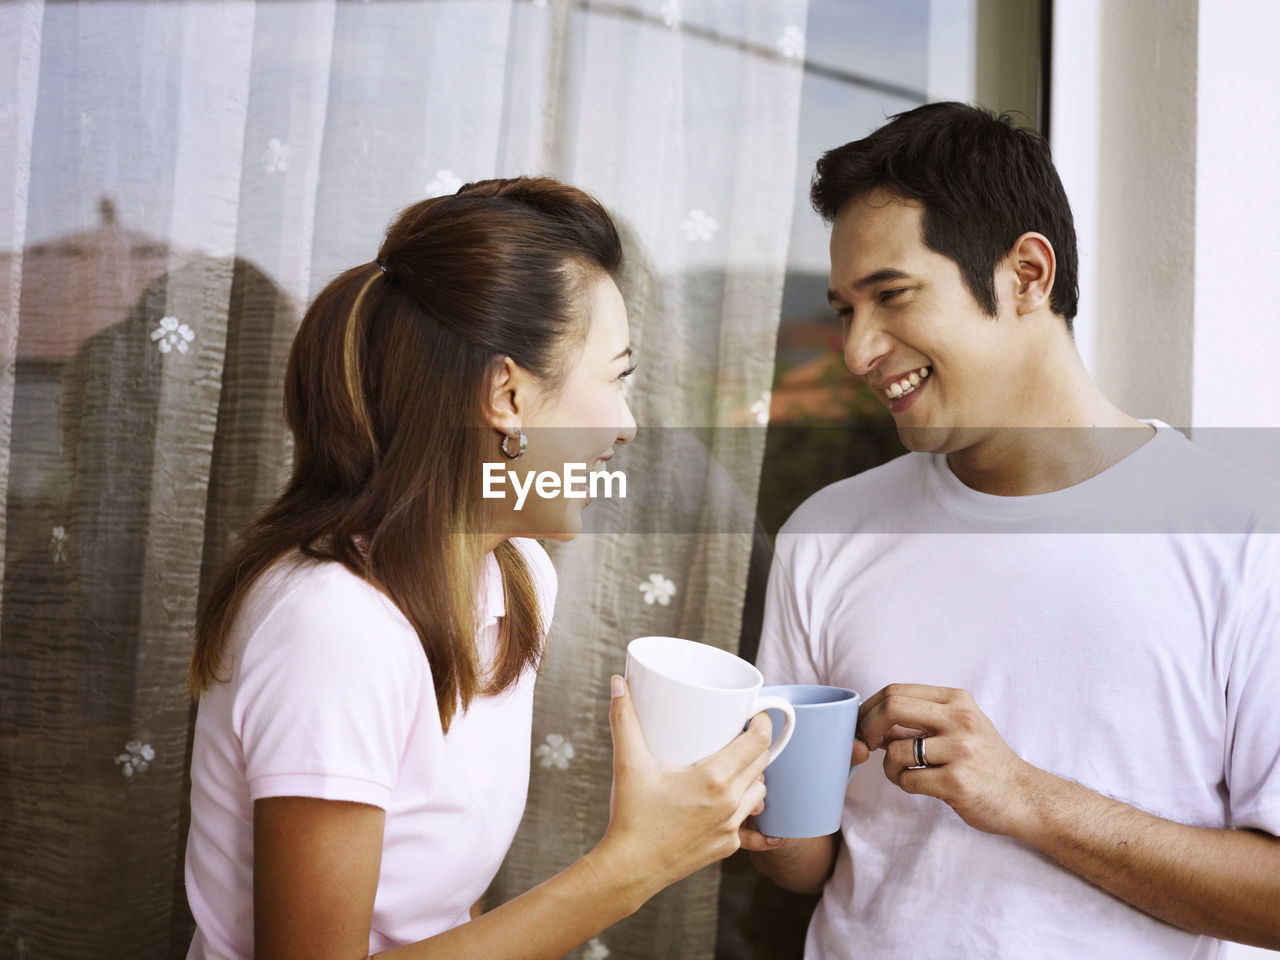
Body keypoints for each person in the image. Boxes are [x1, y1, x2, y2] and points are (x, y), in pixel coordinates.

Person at [183, 176, 774, 960]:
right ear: (507, 393)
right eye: (617, 376)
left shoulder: (515, 578)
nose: (628, 426)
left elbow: (442, 906)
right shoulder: (336, 626)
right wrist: (633, 867)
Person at [746, 103, 1280, 956]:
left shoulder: (1248, 542)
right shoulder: (828, 533)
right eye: (846, 309)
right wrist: (752, 801)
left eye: (890, 295)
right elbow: (805, 866)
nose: (856, 351)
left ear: (1027, 275)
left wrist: (1026, 798)